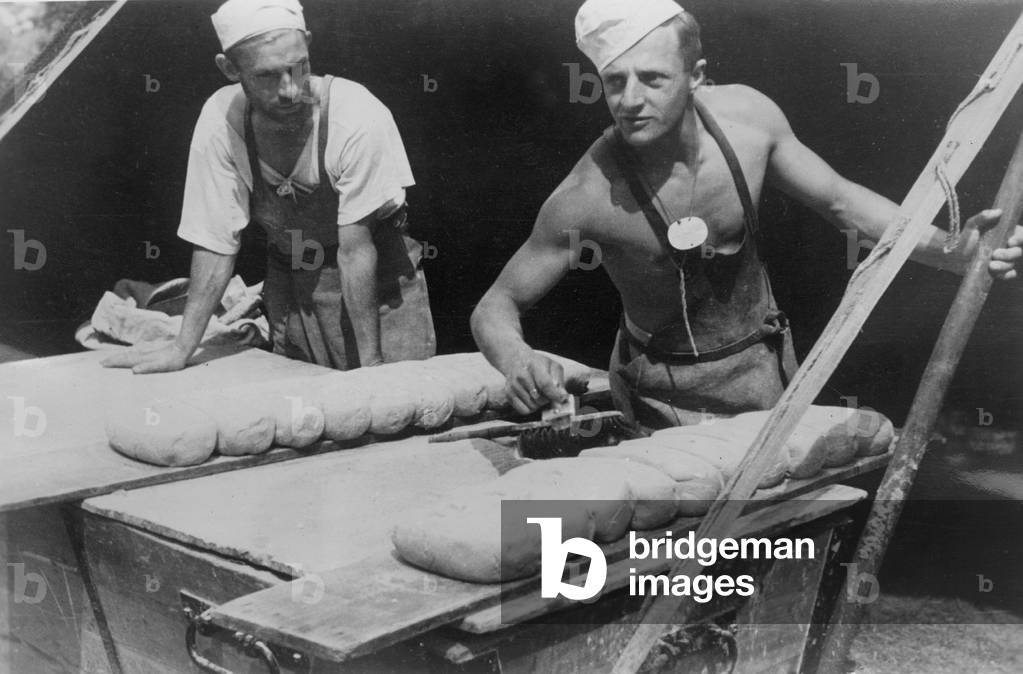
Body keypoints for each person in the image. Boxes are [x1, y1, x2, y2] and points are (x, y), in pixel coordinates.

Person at [471, 0, 1023, 432]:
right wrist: (517, 359)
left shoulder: (750, 124)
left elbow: (841, 200)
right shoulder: (589, 194)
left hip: (763, 370)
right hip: (659, 395)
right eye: (615, 81)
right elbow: (495, 306)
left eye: (653, 78)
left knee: (777, 523)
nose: (630, 100)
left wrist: (949, 250)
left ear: (695, 75)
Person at [104, 0, 433, 374]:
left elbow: (355, 252)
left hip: (378, 290)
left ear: (308, 43)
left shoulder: (356, 116)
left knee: (392, 397)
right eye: (267, 76)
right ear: (229, 68)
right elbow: (215, 242)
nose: (290, 90)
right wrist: (182, 348)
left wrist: (371, 367)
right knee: (299, 402)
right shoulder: (222, 121)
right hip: (292, 290)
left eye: (299, 67)